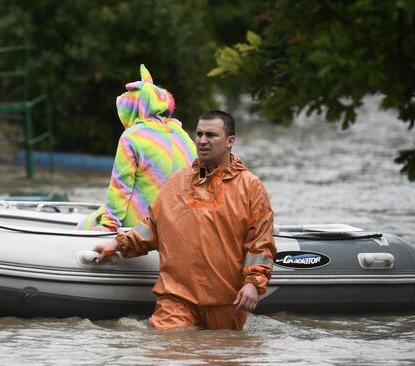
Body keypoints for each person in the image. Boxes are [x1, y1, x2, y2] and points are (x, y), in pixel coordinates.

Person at [93, 110, 276, 330]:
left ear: (230, 141)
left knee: (224, 355)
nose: (202, 141)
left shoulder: (250, 187)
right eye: (199, 134)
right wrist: (117, 243)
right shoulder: (178, 180)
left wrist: (253, 284)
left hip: (225, 300)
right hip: (176, 296)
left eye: (211, 135)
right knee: (168, 350)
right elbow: (153, 225)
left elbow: (260, 242)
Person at [77, 64, 196, 231]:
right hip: (181, 225)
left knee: (83, 225)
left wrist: (109, 224)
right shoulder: (183, 135)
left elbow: (120, 186)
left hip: (143, 226)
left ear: (133, 110)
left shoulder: (132, 137)